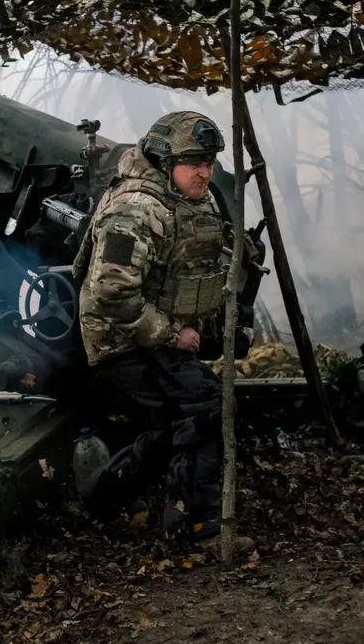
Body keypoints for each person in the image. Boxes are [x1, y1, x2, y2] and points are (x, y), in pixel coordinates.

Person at [70, 111, 254, 554]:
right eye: (194, 162)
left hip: (153, 333)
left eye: (208, 161)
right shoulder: (137, 208)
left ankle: (101, 495)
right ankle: (199, 528)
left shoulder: (192, 197)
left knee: (174, 424)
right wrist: (173, 334)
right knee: (208, 404)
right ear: (164, 159)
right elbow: (111, 292)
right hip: (122, 340)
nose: (205, 171)